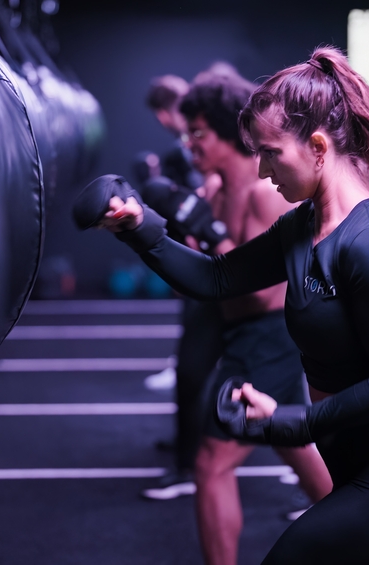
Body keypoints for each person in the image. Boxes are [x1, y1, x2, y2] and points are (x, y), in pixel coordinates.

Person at [79, 46, 369, 564]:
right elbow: (217, 277)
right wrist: (140, 229)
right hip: (349, 467)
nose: (262, 169)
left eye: (272, 152)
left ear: (318, 146)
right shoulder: (302, 226)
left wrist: (288, 423)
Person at [141, 69, 333, 564]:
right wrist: (145, 227)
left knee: (210, 465)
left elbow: (260, 291)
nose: (188, 144)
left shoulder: (262, 193)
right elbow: (202, 276)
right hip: (243, 333)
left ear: (227, 134)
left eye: (198, 134)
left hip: (269, 336)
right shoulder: (212, 188)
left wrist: (210, 235)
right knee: (294, 444)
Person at [137, 74, 226, 500]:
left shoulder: (256, 184)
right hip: (218, 283)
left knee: (287, 417)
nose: (191, 145)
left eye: (198, 134)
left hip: (248, 302)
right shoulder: (210, 175)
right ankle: (189, 459)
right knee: (192, 375)